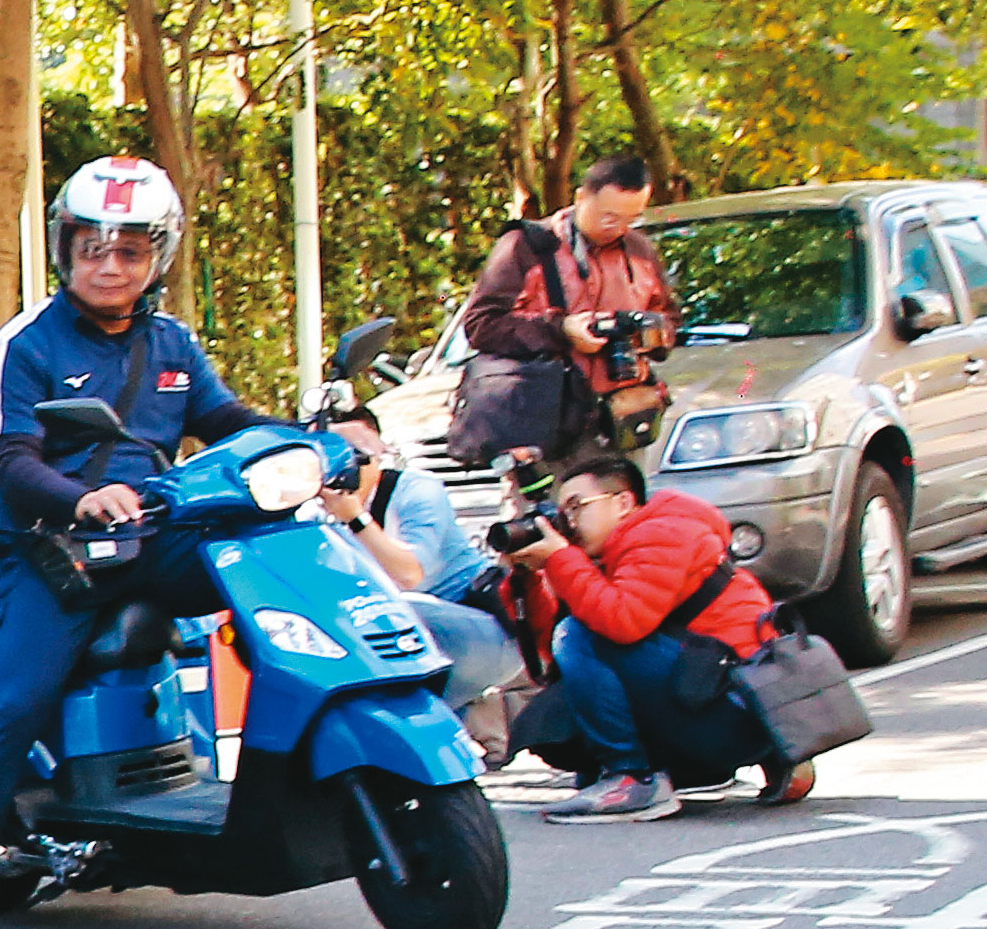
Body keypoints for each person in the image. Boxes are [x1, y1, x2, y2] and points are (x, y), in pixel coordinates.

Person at [0, 156, 266, 929]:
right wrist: (78, 498)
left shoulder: (172, 341)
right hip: (51, 549)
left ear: (158, 258)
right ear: (66, 249)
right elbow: (12, 462)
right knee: (15, 700)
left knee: (269, 583)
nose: (110, 265)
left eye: (131, 250)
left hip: (155, 535)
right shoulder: (26, 344)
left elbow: (226, 419)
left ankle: (277, 789)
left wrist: (314, 441)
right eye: (93, 247)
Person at [508, 450, 806, 817]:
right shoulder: (607, 553)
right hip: (729, 697)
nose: (567, 523)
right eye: (562, 513)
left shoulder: (661, 533)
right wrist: (528, 577)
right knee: (553, 722)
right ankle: (775, 754)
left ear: (623, 502)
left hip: (736, 707)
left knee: (579, 634)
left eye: (576, 507)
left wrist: (561, 560)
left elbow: (621, 621)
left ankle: (633, 779)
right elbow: (556, 659)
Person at [454, 154, 682, 469]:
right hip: (544, 423)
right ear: (580, 198)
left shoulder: (640, 250)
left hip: (620, 421)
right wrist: (561, 331)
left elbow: (670, 320)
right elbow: (482, 325)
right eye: (609, 216)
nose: (618, 228)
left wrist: (648, 334)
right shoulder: (526, 246)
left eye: (632, 219)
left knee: (626, 515)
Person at [320, 404, 524, 756]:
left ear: (379, 455)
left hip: (482, 631)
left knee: (382, 612)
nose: (344, 472)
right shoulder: (316, 510)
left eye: (356, 458)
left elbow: (410, 574)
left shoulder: (417, 490)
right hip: (425, 639)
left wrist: (355, 518)